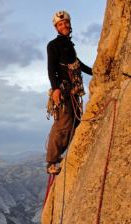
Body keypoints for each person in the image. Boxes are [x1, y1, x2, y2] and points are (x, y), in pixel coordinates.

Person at [46, 10, 92, 174]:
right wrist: (56, 89)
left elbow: (78, 64)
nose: (64, 25)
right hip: (64, 90)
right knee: (63, 125)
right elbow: (52, 68)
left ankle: (72, 153)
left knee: (75, 123)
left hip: (73, 91)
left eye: (65, 22)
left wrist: (95, 71)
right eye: (60, 24)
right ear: (56, 27)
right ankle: (51, 161)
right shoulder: (54, 45)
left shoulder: (69, 46)